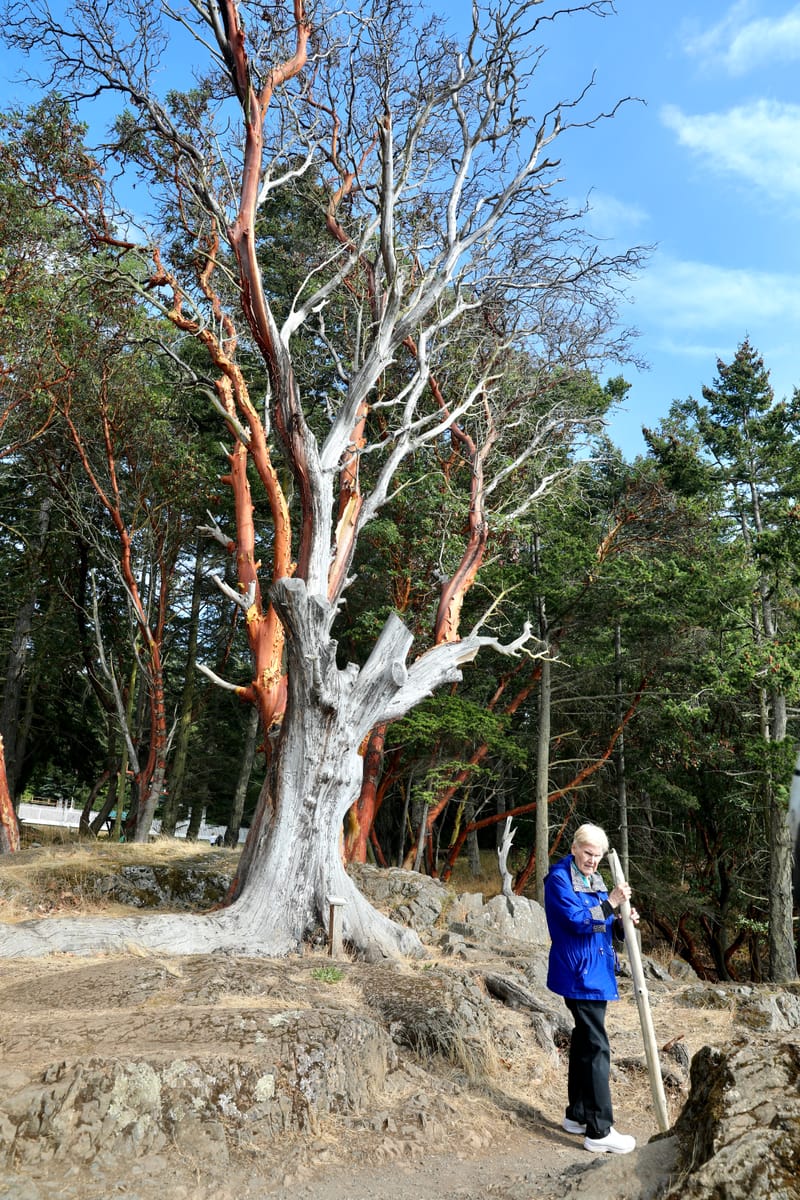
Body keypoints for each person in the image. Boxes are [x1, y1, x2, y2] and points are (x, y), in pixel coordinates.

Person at [543, 822, 638, 1155]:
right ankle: (599, 1131)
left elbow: (604, 924)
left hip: (597, 973)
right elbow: (578, 921)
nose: (592, 860)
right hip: (579, 975)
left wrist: (624, 921)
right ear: (574, 848)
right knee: (598, 1047)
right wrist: (612, 903)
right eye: (587, 853)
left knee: (585, 1042)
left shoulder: (593, 880)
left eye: (597, 856)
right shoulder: (559, 880)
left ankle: (578, 1115)